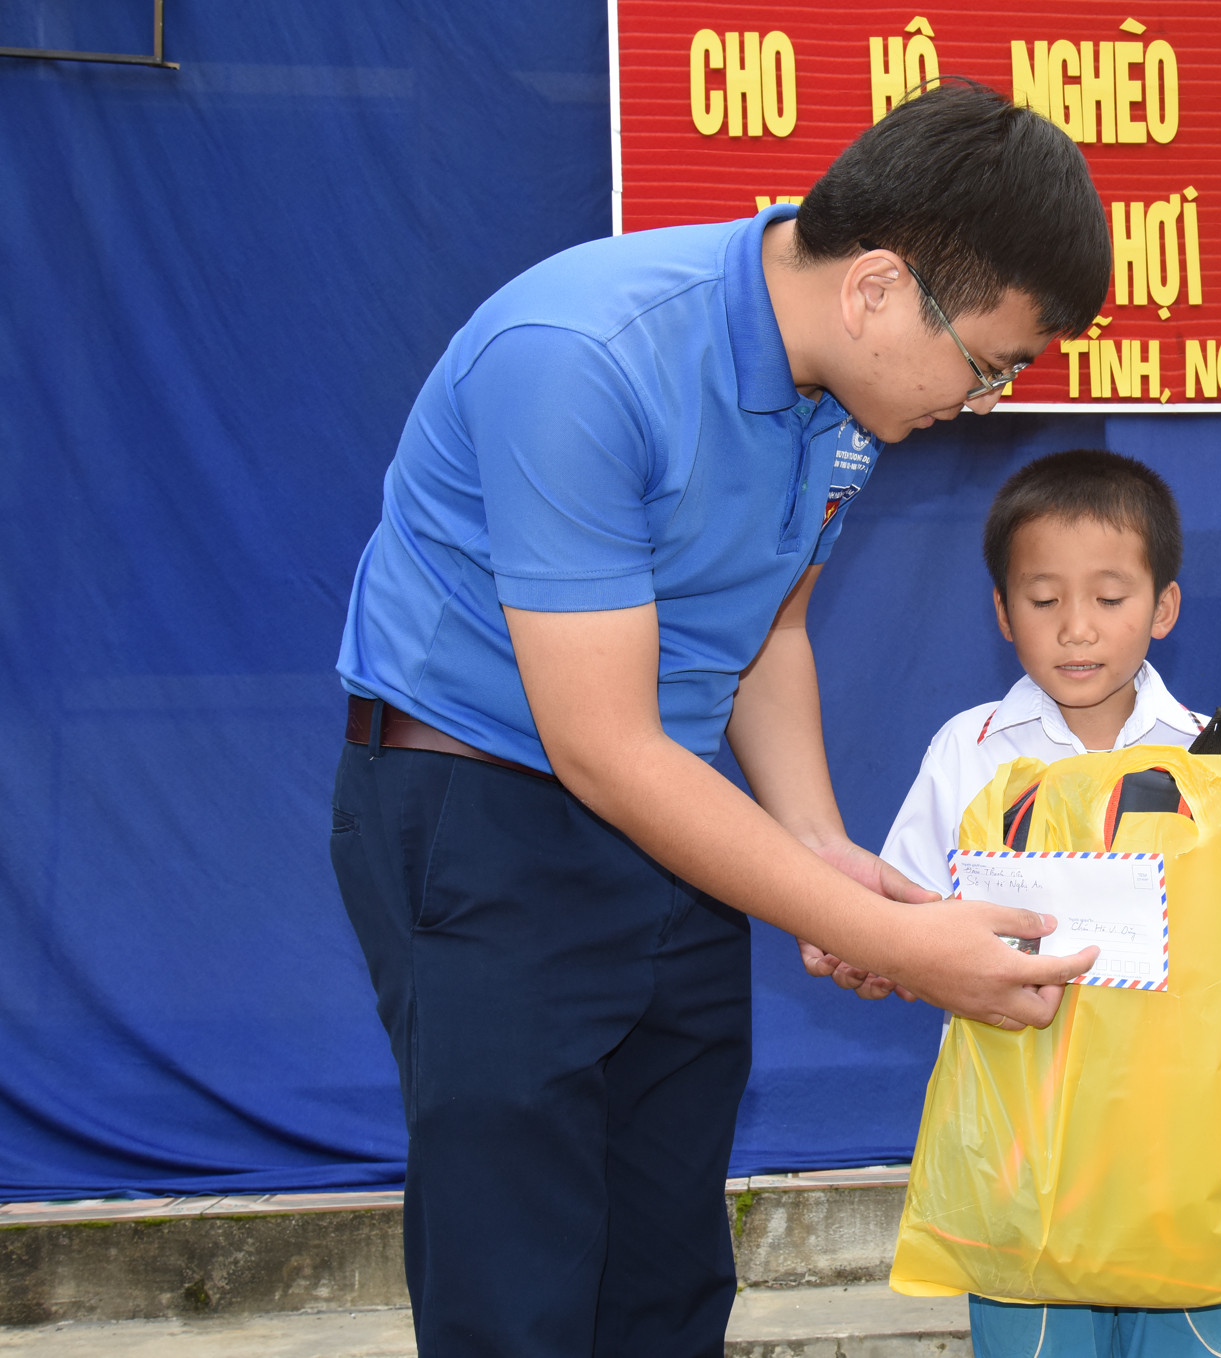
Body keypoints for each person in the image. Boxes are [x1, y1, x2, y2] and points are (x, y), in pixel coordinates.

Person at [329, 83, 1112, 1358]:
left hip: (674, 815)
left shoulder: (837, 394)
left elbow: (767, 632)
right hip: (483, 812)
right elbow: (601, 741)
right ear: (874, 288)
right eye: (985, 364)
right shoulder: (582, 357)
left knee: (666, 1266)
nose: (978, 403)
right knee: (515, 1273)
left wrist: (815, 847)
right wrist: (884, 939)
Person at [880, 449, 1221, 1357]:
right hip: (1020, 1142)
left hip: (1175, 1143)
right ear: (1003, 613)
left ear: (1164, 607)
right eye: (1045, 601)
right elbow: (901, 922)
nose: (1077, 629)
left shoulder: (1214, 753)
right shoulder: (968, 750)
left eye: (1111, 598)